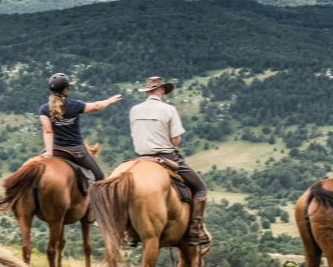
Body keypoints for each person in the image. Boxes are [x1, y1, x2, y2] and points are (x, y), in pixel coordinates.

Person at [128, 76, 211, 246]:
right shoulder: (169, 110)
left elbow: (134, 135)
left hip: (142, 158)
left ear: (147, 91)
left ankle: (130, 232)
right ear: (162, 91)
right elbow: (175, 142)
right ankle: (194, 232)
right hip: (166, 157)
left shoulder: (134, 110)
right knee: (201, 188)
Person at [39, 72, 121, 181]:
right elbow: (96, 106)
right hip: (77, 151)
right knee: (100, 178)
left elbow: (48, 132)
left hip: (55, 148)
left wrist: (49, 152)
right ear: (65, 89)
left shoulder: (44, 109)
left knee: (34, 164)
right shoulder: (75, 105)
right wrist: (108, 101)